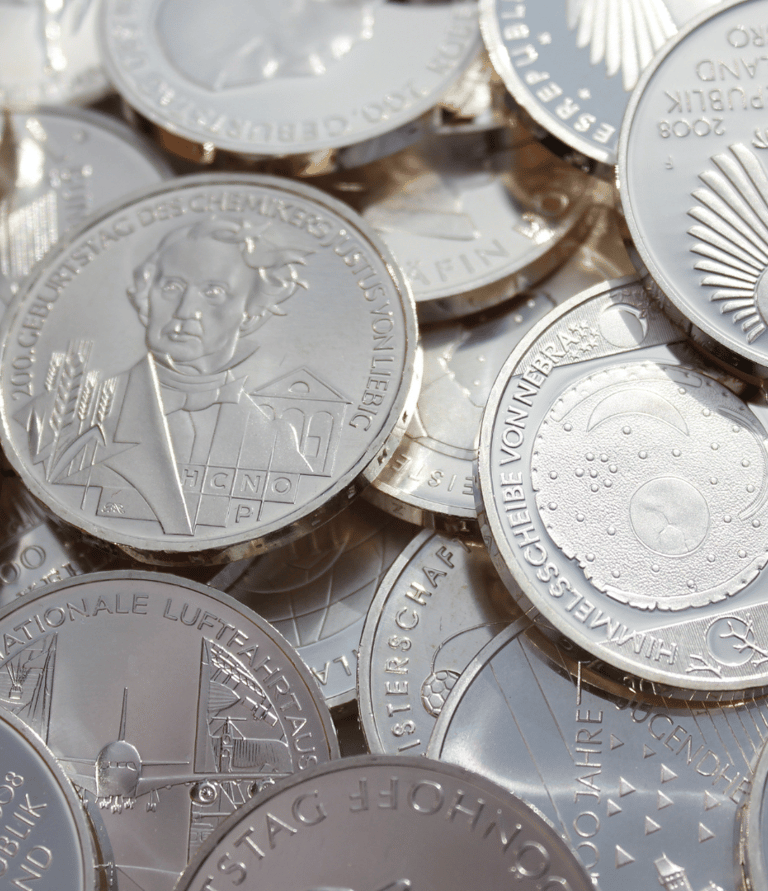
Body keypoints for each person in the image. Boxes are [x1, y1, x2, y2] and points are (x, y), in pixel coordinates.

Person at [21, 218, 345, 536]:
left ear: (252, 313)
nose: (186, 309)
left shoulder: (277, 444)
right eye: (172, 286)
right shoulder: (53, 416)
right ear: (146, 295)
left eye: (214, 292)